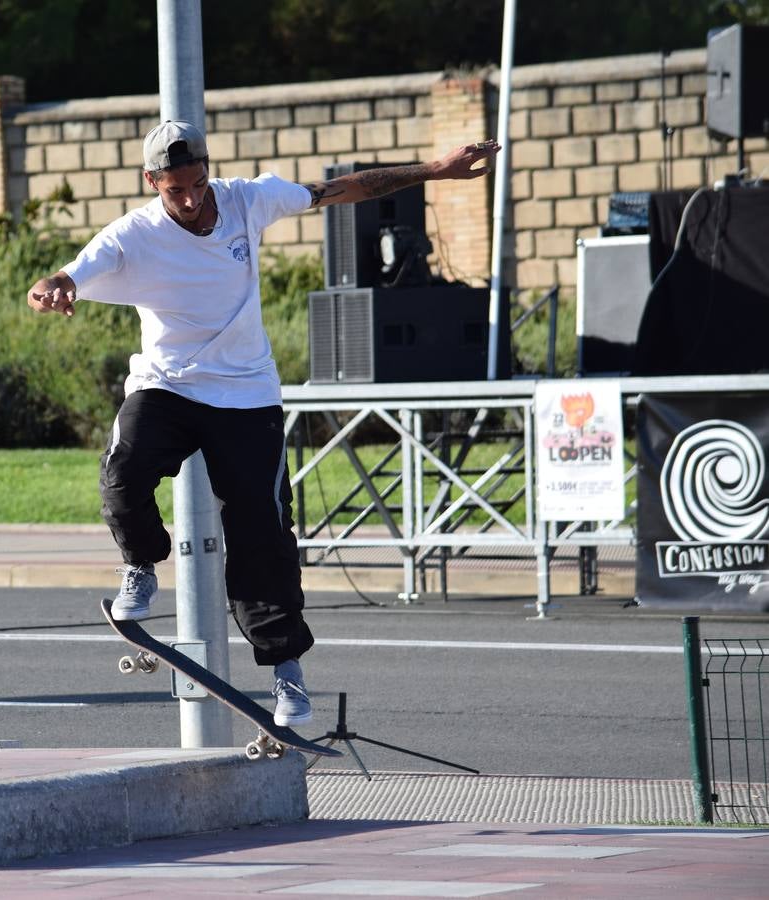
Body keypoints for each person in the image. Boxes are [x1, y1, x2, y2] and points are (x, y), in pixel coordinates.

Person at [25, 120, 499, 727]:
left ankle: (287, 673)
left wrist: (434, 170)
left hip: (246, 394)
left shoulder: (249, 198)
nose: (193, 202)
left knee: (263, 533)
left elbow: (344, 189)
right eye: (176, 191)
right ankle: (141, 564)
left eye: (198, 185)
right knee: (123, 471)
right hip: (167, 385)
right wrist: (51, 289)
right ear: (152, 183)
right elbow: (69, 274)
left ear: (208, 171)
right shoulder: (133, 235)